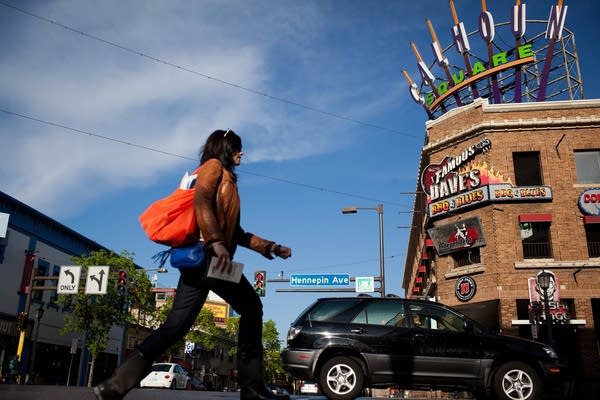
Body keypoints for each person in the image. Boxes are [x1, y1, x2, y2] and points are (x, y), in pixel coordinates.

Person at [94, 129, 292, 400]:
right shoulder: (213, 168)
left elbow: (236, 232)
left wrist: (270, 247)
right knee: (251, 307)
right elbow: (202, 202)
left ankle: (114, 386)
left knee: (175, 326)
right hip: (210, 257)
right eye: (237, 147)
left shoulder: (227, 179)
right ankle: (252, 387)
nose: (241, 153)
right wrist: (215, 241)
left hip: (199, 262)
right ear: (224, 147)